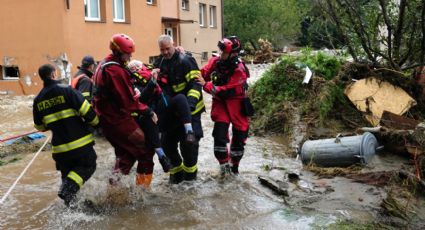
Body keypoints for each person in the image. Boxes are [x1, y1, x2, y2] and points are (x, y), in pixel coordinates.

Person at [92, 34, 155, 188]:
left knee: (126, 153)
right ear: (119, 52)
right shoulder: (114, 70)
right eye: (128, 53)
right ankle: (142, 191)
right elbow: (127, 102)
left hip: (107, 120)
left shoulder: (104, 64)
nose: (130, 56)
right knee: (145, 149)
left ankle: (114, 188)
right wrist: (148, 111)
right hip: (117, 120)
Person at [33, 64, 99, 207]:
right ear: (53, 75)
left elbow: (40, 126)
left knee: (68, 175)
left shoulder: (38, 99)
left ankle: (71, 208)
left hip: (60, 150)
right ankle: (68, 188)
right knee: (89, 165)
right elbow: (87, 111)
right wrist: (96, 123)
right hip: (80, 145)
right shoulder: (67, 90)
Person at [154, 34, 204, 184]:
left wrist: (189, 105)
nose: (165, 52)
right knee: (167, 144)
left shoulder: (186, 61)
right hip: (171, 113)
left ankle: (190, 179)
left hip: (191, 111)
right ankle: (176, 175)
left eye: (167, 49)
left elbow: (196, 84)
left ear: (173, 45)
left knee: (189, 145)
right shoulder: (160, 62)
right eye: (162, 50)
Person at [197, 36, 251, 176]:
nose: (220, 54)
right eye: (220, 51)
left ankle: (235, 167)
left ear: (233, 53)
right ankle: (223, 167)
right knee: (219, 137)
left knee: (239, 139)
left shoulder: (239, 70)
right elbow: (202, 74)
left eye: (223, 52)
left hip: (237, 103)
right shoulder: (216, 61)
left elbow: (225, 91)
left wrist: (206, 85)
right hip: (221, 104)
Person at [127, 60, 172, 172]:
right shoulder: (132, 82)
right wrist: (152, 82)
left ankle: (162, 157)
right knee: (143, 153)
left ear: (141, 66)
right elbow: (142, 99)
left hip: (156, 114)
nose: (135, 70)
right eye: (132, 69)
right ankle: (162, 156)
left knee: (146, 154)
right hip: (143, 116)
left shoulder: (154, 74)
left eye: (136, 67)